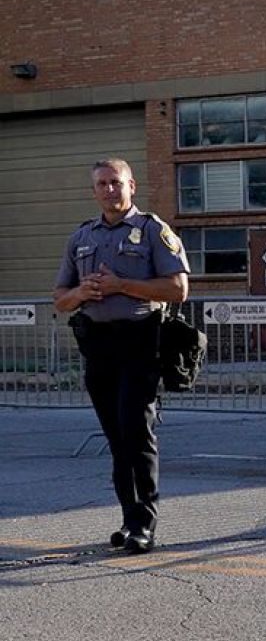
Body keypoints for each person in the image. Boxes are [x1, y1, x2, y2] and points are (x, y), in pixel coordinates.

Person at [51, 159, 190, 554]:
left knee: (136, 431)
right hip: (97, 345)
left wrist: (121, 285)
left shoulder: (151, 231)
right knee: (116, 438)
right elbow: (60, 297)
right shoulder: (81, 236)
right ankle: (129, 520)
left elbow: (178, 289)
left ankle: (144, 524)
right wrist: (84, 293)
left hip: (139, 341)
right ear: (94, 190)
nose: (109, 190)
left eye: (116, 183)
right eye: (102, 184)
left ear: (132, 185)